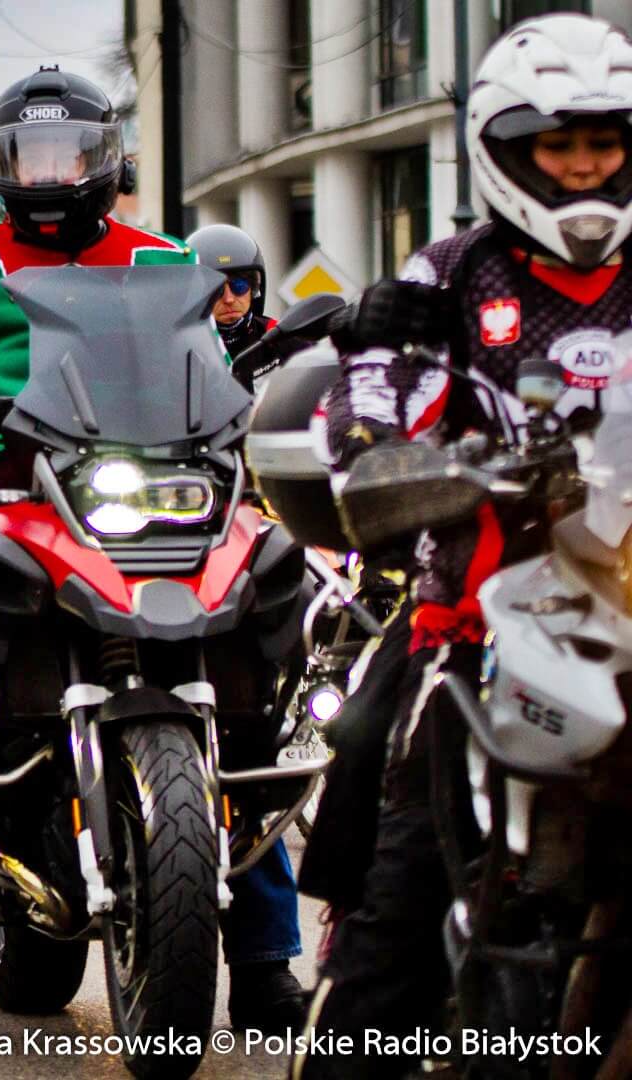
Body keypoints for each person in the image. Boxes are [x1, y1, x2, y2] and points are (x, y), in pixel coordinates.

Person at [0, 67, 307, 1057]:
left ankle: (268, 963)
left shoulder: (166, 261)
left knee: (243, 709)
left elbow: (214, 382)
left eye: (70, 156)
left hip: (146, 500)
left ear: (107, 161)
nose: (51, 177)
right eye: (31, 157)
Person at [296, 16, 632, 1079]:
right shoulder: (449, 277)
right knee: (374, 782)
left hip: (626, 606)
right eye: (559, 144)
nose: (584, 164)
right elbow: (368, 409)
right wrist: (379, 454)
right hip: (480, 621)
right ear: (507, 149)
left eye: (605, 142)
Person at [186, 222, 276, 382]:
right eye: (215, 290)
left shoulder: (278, 336)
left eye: (239, 286)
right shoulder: (183, 347)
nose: (229, 299)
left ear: (254, 288)